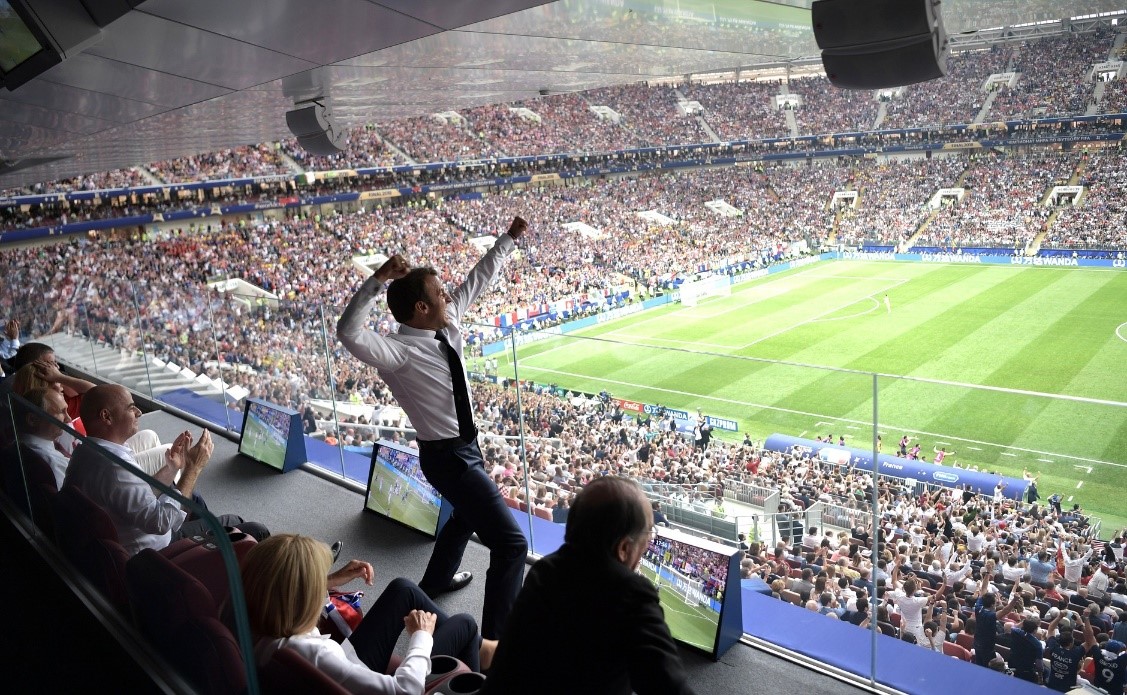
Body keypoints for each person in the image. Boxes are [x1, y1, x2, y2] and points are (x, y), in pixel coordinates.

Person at [338, 216, 530, 640]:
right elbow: (347, 331)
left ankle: (437, 581)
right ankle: (497, 647)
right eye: (440, 294)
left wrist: (509, 240)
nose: (450, 296)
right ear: (421, 308)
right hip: (447, 458)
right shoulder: (397, 353)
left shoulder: (447, 324)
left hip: (467, 448)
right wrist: (377, 281)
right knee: (512, 545)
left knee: (465, 517)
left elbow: (478, 279)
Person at [481, 476, 696, 695]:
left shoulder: (544, 570)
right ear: (623, 548)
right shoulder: (631, 594)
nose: (648, 542)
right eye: (648, 534)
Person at [243, 534, 493, 695]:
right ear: (298, 600)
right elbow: (404, 691)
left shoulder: (254, 620)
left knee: (402, 589)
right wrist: (421, 637)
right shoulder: (317, 655)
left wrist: (332, 579)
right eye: (315, 581)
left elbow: (283, 592)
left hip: (348, 662)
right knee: (465, 624)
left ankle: (482, 650)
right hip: (360, 673)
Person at [62, 384, 268, 556]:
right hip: (154, 552)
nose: (138, 412)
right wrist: (192, 469)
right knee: (249, 527)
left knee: (193, 499)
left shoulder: (85, 452)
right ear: (106, 417)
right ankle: (212, 550)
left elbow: (135, 495)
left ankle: (211, 544)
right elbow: (160, 523)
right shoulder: (115, 469)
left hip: (127, 537)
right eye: (131, 408)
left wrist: (173, 468)